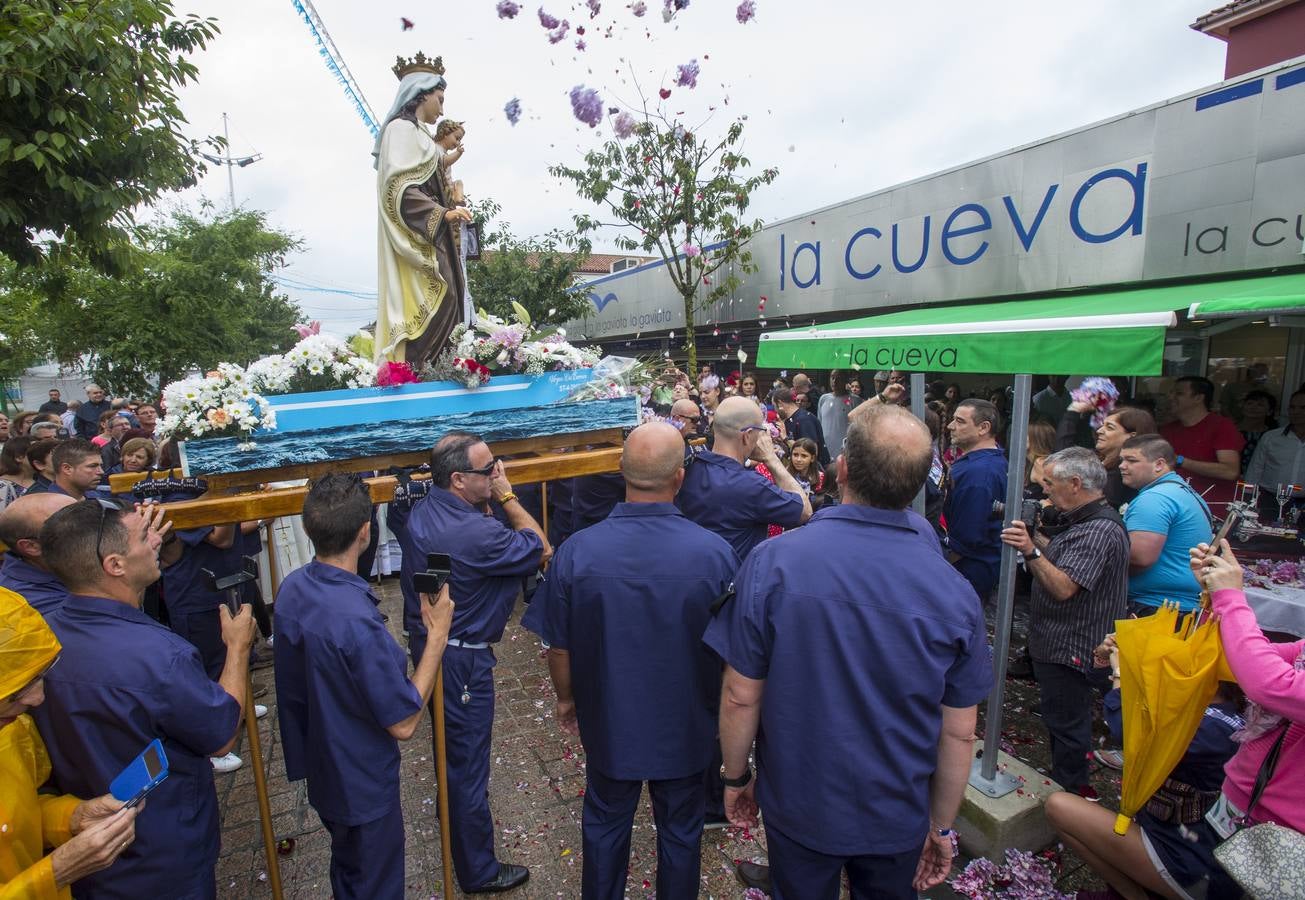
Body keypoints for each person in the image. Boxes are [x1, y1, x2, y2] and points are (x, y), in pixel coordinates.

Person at [707, 404, 993, 899]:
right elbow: (959, 731)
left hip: (800, 799)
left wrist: (735, 776)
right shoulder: (954, 590)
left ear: (841, 468)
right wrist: (941, 825)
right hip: (895, 808)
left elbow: (740, 694)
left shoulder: (774, 562)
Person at [524, 423, 739, 899]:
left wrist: (566, 699)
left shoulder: (578, 551)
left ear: (621, 470)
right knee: (681, 831)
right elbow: (733, 652)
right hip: (686, 718)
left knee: (605, 823)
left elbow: (558, 646)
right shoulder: (715, 553)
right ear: (679, 478)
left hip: (610, 716)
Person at [32, 498, 256, 899]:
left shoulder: (44, 638)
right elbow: (221, 734)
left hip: (90, 848)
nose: (157, 539)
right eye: (143, 536)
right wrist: (237, 649)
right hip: (162, 845)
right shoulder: (159, 657)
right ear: (115, 565)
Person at [274, 474, 455, 900]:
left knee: (350, 872)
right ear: (365, 531)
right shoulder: (354, 622)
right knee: (374, 880)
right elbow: (405, 721)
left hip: (322, 765)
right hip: (358, 779)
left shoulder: (294, 586)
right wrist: (437, 638)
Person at [404, 431, 549, 893]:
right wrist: (507, 497)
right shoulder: (476, 531)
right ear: (459, 479)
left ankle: (460, 841)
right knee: (466, 768)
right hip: (461, 661)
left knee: (453, 757)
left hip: (434, 646)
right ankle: (478, 871)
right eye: (489, 471)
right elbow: (539, 546)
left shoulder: (427, 506)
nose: (498, 474)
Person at [1046, 642, 1244, 900]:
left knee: (1058, 807)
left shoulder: (1215, 729)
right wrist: (1105, 657)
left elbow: (1128, 728)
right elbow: (1121, 691)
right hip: (1170, 838)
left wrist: (1120, 673)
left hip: (1189, 864)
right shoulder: (1209, 706)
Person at [1000, 447, 1129, 795]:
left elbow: (1063, 586)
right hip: (1063, 642)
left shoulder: (1098, 530)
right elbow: (1061, 560)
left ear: (1075, 483)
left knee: (1069, 726)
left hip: (1073, 646)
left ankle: (1072, 796)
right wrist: (1034, 537)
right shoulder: (1084, 521)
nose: (1045, 492)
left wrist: (1030, 549)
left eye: (1050, 484)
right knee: (1063, 722)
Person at [0, 586, 143, 897]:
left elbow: (18, 814)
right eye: (14, 693)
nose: (37, 698)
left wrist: (73, 817)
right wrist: (57, 871)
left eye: (40, 676)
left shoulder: (11, 727)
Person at [373, 55, 474, 365]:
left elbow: (431, 182)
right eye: (439, 100)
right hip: (419, 234)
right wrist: (441, 213)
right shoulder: (400, 130)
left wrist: (452, 204)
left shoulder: (419, 134)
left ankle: (443, 364)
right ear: (421, 93)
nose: (442, 109)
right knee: (442, 296)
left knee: (453, 297)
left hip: (435, 231)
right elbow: (399, 189)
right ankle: (424, 368)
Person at [676, 396, 811, 562]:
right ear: (747, 436)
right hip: (735, 581)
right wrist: (771, 458)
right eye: (761, 432)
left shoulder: (687, 468)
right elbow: (804, 511)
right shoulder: (751, 485)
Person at [1117, 435, 1213, 616]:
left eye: (1131, 460)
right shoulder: (1185, 491)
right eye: (1121, 460)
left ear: (1159, 465)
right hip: (1180, 605)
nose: (1122, 466)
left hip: (1156, 608)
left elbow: (1139, 558)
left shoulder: (1155, 498)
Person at [944, 399, 1008, 599]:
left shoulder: (979, 474)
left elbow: (966, 539)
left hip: (964, 575)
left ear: (983, 428)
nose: (950, 426)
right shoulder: (988, 461)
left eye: (960, 421)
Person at [1162, 376, 1244, 515]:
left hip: (1212, 512)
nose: (1171, 397)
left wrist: (1180, 461)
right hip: (1173, 508)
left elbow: (1230, 471)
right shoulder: (1167, 429)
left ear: (1199, 398)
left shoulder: (1222, 426)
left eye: (1179, 393)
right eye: (1171, 393)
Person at [0, 492, 75, 615]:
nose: (96, 529)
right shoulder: (27, 604)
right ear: (32, 546)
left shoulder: (65, 564)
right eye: (75, 526)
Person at [1244, 388, 1305, 497]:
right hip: (1270, 498)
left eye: (1303, 408)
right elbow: (1255, 470)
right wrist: (1247, 497)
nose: (1296, 411)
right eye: (1292, 407)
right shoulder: (1271, 437)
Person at [771, 387, 829, 465]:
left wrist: (786, 439)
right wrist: (781, 442)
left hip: (813, 472)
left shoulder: (804, 419)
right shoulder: (789, 420)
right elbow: (791, 451)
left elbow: (812, 450)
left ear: (780, 403)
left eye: (774, 406)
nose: (775, 411)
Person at [816, 369, 862, 460]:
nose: (835, 381)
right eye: (832, 378)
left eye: (839, 378)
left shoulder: (855, 400)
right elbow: (819, 424)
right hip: (826, 450)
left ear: (846, 380)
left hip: (845, 451)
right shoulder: (823, 399)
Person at [1237, 388, 1278, 474]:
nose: (1253, 407)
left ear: (1270, 411)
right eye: (1249, 403)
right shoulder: (1229, 430)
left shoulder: (1273, 435)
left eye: (1260, 405)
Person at [0, 435, 35, 511]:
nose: (41, 456)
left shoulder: (44, 480)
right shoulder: (3, 486)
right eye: (35, 453)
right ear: (19, 457)